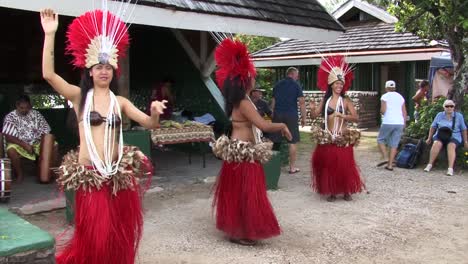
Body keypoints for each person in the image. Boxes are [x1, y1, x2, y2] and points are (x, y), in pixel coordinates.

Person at [40, 8, 166, 264]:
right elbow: (49, 75)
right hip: (91, 177)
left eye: (108, 67)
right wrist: (50, 34)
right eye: (98, 66)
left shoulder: (120, 102)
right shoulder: (79, 98)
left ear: (114, 71)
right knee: (96, 236)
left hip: (116, 177)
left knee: (116, 234)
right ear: (89, 71)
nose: (103, 71)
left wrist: (154, 113)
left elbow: (149, 125)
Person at [212, 38, 292, 246]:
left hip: (241, 150)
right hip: (243, 152)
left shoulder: (240, 101)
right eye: (252, 75)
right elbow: (264, 126)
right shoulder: (244, 103)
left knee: (240, 192)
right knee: (245, 193)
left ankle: (238, 229)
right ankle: (240, 231)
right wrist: (282, 126)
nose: (254, 78)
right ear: (246, 79)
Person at [309, 56, 364, 202]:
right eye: (337, 83)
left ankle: (346, 191)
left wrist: (343, 116)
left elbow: (355, 117)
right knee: (330, 166)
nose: (339, 86)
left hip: (341, 137)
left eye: (341, 83)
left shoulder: (346, 101)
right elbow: (314, 116)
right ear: (331, 84)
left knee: (345, 166)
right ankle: (332, 191)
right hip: (328, 137)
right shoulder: (325, 100)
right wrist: (312, 109)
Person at [2, 95, 54, 183]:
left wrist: (39, 142)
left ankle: (46, 172)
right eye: (22, 108)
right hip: (19, 143)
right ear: (17, 106)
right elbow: (8, 136)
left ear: (30, 106)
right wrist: (25, 145)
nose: (25, 110)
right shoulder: (10, 117)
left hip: (36, 142)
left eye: (27, 107)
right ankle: (19, 174)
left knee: (54, 145)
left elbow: (46, 130)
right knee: (10, 150)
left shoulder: (36, 114)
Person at [270, 67, 306, 174]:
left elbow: (273, 101)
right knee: (292, 141)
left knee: (275, 141)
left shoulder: (277, 85)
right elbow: (302, 102)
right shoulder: (296, 85)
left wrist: (272, 113)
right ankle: (292, 167)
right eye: (297, 75)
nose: (297, 77)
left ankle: (273, 166)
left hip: (278, 115)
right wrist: (304, 118)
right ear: (293, 74)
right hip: (291, 115)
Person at [423, 99, 467, 176]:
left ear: (454, 107)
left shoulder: (459, 116)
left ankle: (450, 168)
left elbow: (463, 129)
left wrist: (466, 141)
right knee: (436, 144)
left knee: (451, 146)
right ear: (444, 107)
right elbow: (433, 126)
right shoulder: (439, 115)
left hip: (454, 135)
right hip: (441, 135)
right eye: (447, 106)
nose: (449, 108)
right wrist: (429, 138)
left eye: (451, 106)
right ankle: (429, 164)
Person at [377, 80, 407, 171]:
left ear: (386, 88)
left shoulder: (385, 96)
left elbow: (383, 110)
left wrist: (381, 112)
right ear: (394, 87)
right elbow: (404, 112)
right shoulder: (400, 97)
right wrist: (404, 122)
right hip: (399, 122)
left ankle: (385, 157)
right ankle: (390, 165)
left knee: (381, 139)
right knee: (394, 143)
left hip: (388, 121)